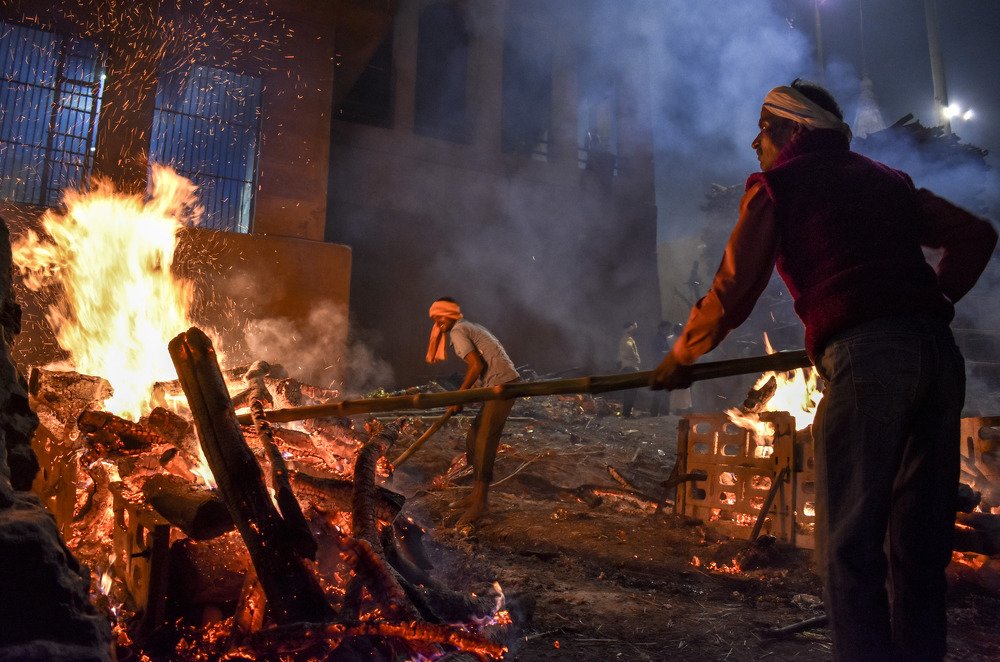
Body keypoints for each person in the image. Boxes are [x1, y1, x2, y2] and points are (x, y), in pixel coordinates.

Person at [650, 79, 997, 661]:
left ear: (792, 131)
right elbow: (977, 234)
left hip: (868, 362)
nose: (754, 143)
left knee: (852, 549)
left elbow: (735, 288)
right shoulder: (889, 180)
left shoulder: (778, 186)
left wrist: (683, 354)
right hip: (937, 358)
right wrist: (932, 302)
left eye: (763, 130)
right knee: (918, 548)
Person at [426, 297, 520, 526]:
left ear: (450, 314)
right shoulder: (470, 327)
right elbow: (484, 367)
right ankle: (474, 495)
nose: (437, 322)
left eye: (440, 316)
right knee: (473, 436)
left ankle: (481, 504)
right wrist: (466, 398)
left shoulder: (458, 331)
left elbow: (477, 365)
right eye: (434, 318)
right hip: (496, 385)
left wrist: (460, 396)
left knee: (484, 441)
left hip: (503, 386)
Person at [616, 321, 641, 417]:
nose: (636, 330)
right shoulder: (627, 339)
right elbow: (628, 349)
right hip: (630, 367)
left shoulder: (626, 338)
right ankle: (627, 413)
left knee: (630, 392)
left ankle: (627, 412)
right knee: (630, 392)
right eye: (635, 328)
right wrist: (635, 358)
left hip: (628, 367)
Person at [648, 322, 671, 416]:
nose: (668, 330)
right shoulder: (657, 339)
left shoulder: (666, 338)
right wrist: (669, 352)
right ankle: (655, 412)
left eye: (668, 329)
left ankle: (664, 411)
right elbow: (656, 353)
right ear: (661, 328)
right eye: (666, 328)